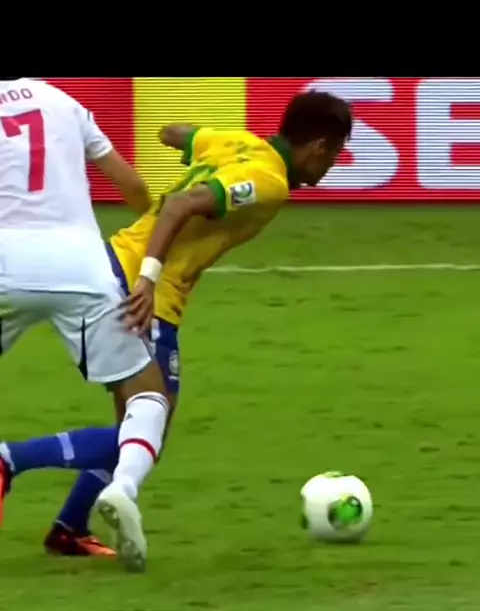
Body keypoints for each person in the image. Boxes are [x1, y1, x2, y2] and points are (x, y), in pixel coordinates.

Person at [0, 90, 353, 559]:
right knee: (148, 429)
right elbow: (179, 205)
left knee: (135, 424)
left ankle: (70, 527)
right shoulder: (266, 179)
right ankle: (11, 460)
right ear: (319, 147)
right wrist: (148, 278)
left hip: (113, 263)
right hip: (143, 290)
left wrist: (191, 142)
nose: (332, 165)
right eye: (335, 153)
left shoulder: (235, 143)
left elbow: (173, 133)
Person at [0, 77, 176, 573]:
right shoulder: (63, 101)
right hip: (82, 267)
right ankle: (123, 486)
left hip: (5, 260)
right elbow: (132, 185)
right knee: (148, 394)